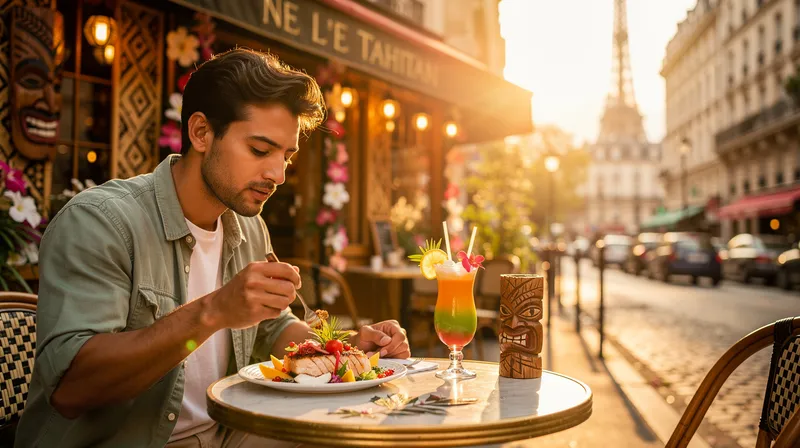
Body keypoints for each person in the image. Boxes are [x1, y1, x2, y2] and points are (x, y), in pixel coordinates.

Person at [15, 48, 410, 448]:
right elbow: (71, 390)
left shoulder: (248, 226)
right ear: (201, 132)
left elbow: (273, 327)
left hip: (226, 434)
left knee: (369, 435)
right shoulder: (101, 222)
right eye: (259, 150)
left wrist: (341, 352)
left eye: (286, 156)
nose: (277, 174)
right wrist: (214, 311)